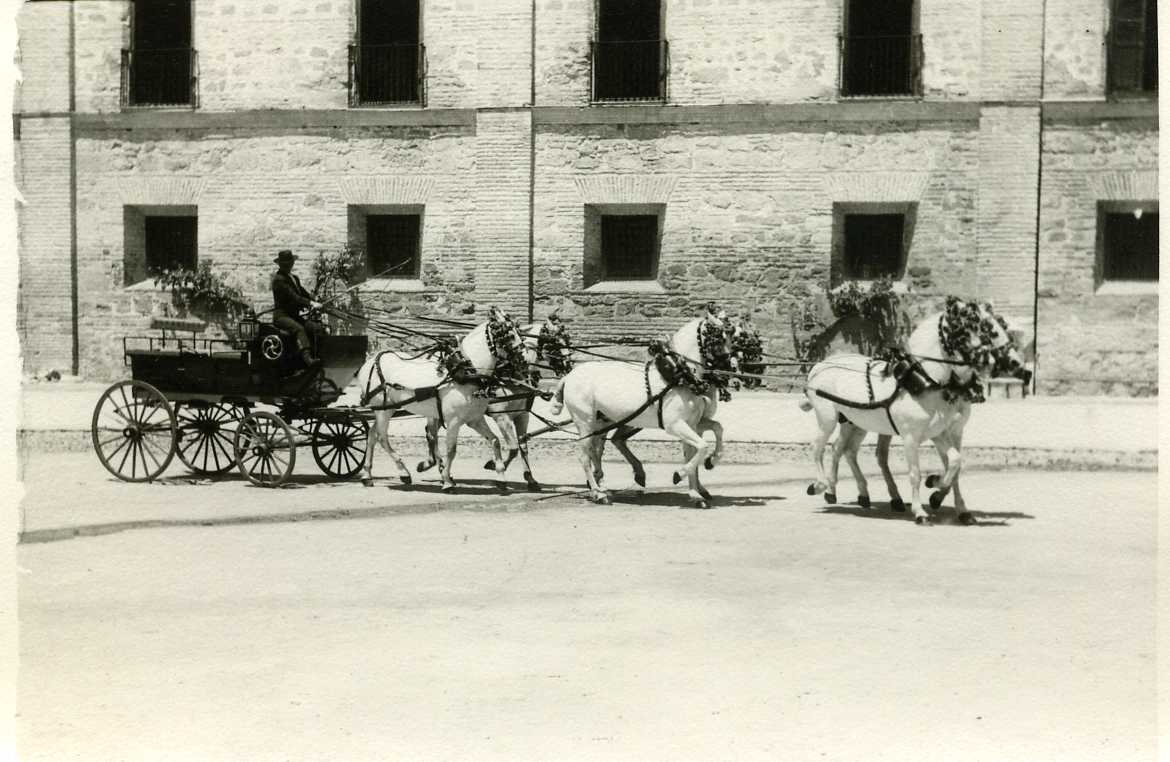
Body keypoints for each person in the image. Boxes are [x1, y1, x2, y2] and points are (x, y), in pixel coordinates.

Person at [271, 249, 324, 366]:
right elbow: (294, 297)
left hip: (293, 316)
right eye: (285, 264)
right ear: (280, 265)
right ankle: (307, 359)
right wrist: (311, 303)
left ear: (292, 263)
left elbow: (303, 293)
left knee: (316, 327)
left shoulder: (294, 278)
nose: (288, 265)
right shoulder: (279, 280)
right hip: (282, 317)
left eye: (290, 263)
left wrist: (315, 298)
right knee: (299, 329)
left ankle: (319, 356)